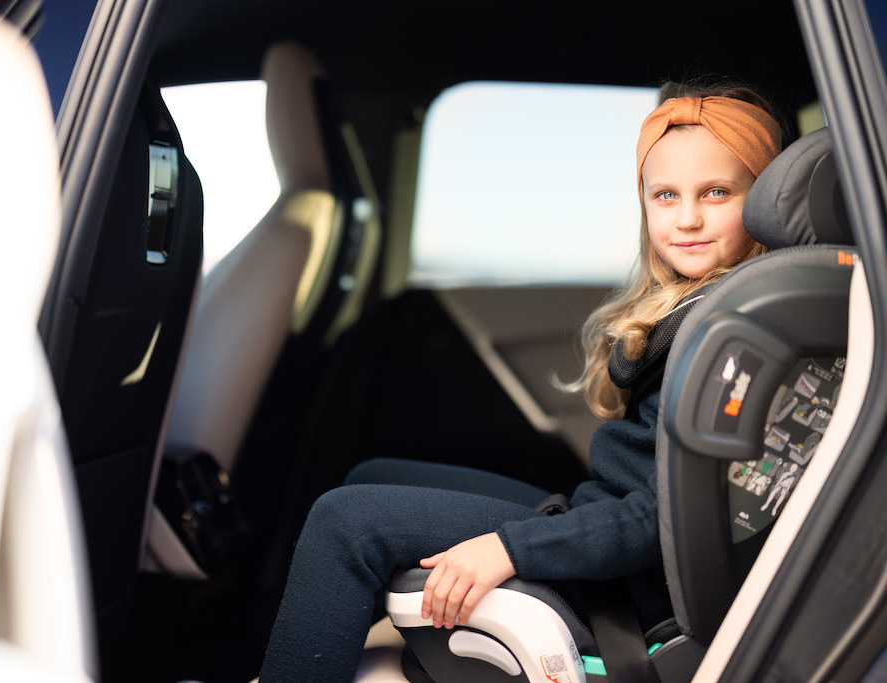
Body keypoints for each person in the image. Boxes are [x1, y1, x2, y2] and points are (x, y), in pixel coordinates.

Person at [258, 79, 783, 681]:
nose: (687, 218)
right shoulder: (726, 309)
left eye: (716, 192)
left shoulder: (732, 339)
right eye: (665, 195)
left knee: (344, 523)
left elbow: (660, 521)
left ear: (762, 200)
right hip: (607, 524)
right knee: (371, 476)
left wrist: (510, 549)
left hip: (631, 586)